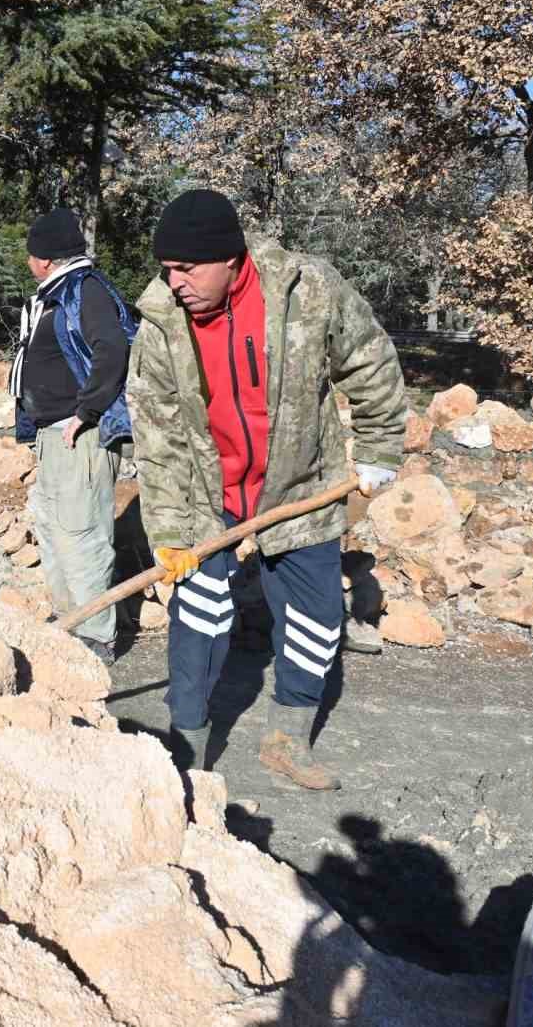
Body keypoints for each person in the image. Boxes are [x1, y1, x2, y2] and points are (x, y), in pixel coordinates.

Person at [127, 189, 406, 789]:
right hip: (210, 496)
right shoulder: (160, 323)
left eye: (187, 268)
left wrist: (381, 447)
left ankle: (287, 740)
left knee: (315, 617)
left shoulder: (308, 291)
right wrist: (173, 531)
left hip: (300, 485)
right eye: (166, 269)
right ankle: (187, 748)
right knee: (198, 617)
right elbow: (158, 435)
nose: (174, 282)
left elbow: (369, 359)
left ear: (231, 259)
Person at [8, 208, 137, 667]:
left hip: (78, 433)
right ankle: (70, 624)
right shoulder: (56, 294)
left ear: (43, 259)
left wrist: (87, 411)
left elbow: (113, 349)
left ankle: (97, 634)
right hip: (54, 431)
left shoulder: (86, 290)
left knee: (82, 531)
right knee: (55, 528)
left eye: (31, 253)